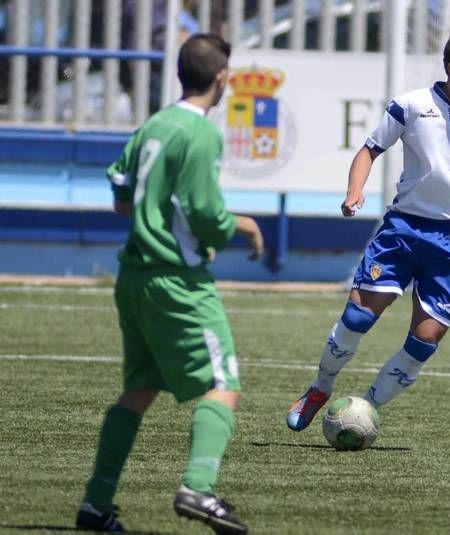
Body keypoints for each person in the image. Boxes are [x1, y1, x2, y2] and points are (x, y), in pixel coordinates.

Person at [75, 33, 263, 534]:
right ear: (222, 78)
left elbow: (120, 191)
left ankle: (95, 505)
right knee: (223, 383)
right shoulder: (201, 133)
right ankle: (198, 488)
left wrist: (153, 212)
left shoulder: (155, 123)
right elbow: (205, 213)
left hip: (132, 277)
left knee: (137, 390)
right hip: (175, 282)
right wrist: (240, 226)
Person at [287, 30, 450, 431]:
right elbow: (369, 150)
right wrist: (355, 190)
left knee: (423, 342)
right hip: (404, 230)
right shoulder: (411, 105)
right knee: (357, 318)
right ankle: (320, 388)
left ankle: (365, 410)